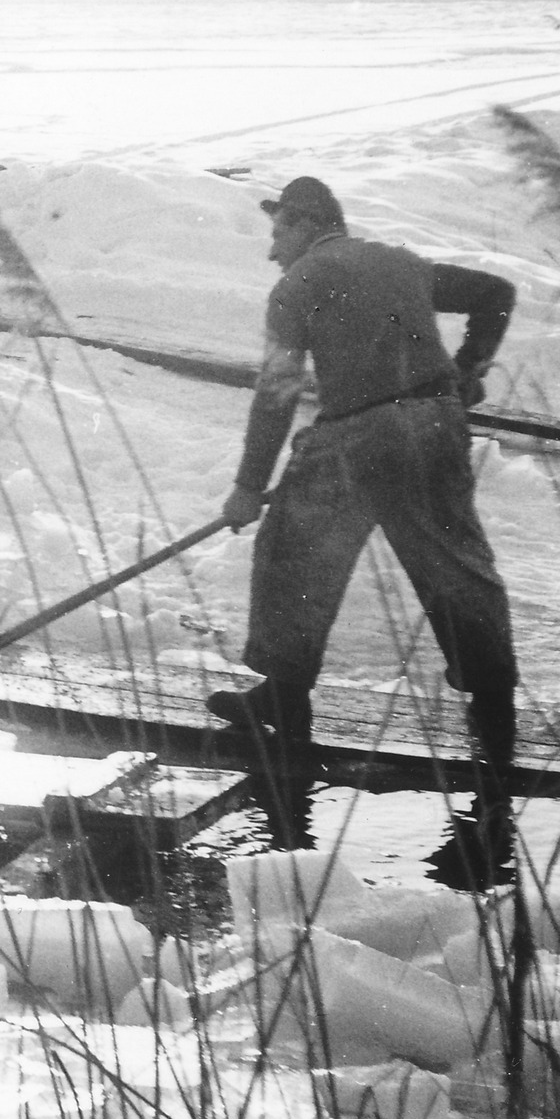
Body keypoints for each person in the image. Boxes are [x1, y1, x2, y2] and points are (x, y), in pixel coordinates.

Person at [212, 176, 520, 778]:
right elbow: (496, 292)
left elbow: (276, 394)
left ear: (305, 223)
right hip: (437, 424)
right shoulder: (399, 262)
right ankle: (496, 711)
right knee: (456, 566)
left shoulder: (295, 287)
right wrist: (467, 370)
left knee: (291, 554)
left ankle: (284, 693)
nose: (273, 250)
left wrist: (250, 486)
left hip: (358, 436)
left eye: (279, 234)